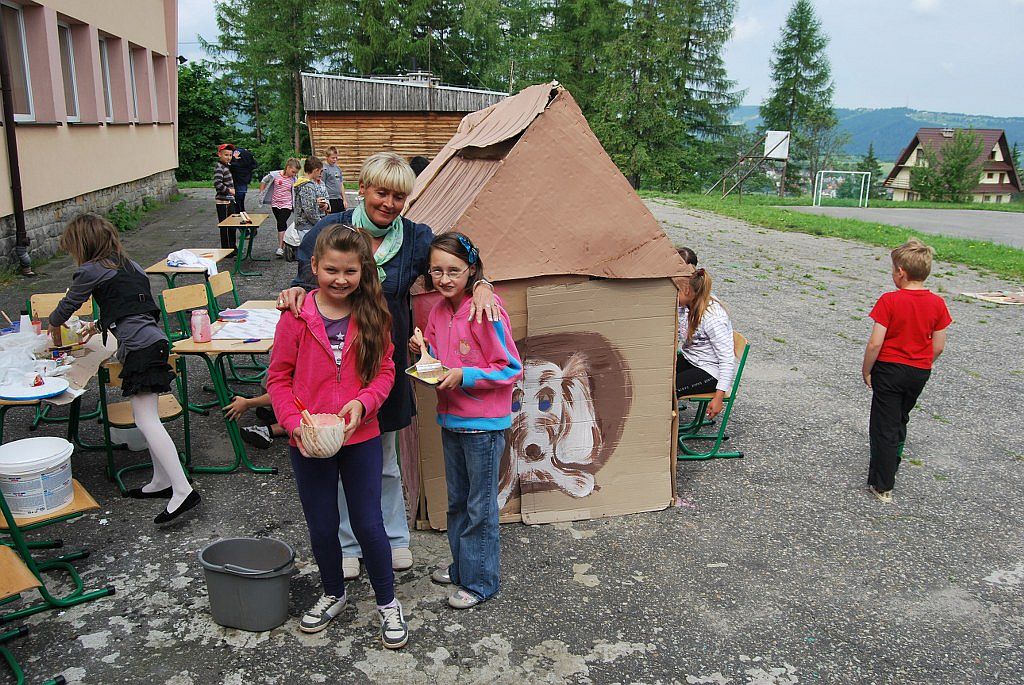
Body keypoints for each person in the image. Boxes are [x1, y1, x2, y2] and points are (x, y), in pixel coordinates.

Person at [277, 152, 499, 581]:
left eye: (399, 196)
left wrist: (483, 284)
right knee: (334, 454)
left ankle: (394, 538)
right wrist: (293, 291)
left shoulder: (415, 238)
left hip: (383, 360)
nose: (390, 203)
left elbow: (455, 262)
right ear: (363, 189)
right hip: (332, 363)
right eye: (382, 193)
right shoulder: (331, 229)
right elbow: (306, 278)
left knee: (383, 458)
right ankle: (347, 545)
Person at [266, 223, 408, 648]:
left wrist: (364, 403)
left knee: (368, 523)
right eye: (331, 270)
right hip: (309, 440)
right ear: (314, 266)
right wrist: (295, 423)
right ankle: (333, 593)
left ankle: (387, 602)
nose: (341, 280)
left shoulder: (374, 314)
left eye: (350, 271)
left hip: (360, 437)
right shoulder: (295, 316)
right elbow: (278, 378)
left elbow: (385, 371)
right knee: (323, 523)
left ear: (363, 271)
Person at [48, 214, 200, 524]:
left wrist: (52, 324)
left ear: (83, 244)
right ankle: (161, 481)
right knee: (149, 418)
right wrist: (97, 325)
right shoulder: (130, 266)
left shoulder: (91, 270)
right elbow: (131, 308)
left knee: (146, 421)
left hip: (141, 349)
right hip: (155, 342)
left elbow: (69, 304)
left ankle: (183, 490)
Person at [417, 232, 521, 609]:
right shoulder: (438, 310)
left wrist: (465, 376)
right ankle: (463, 567)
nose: (444, 279)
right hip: (451, 421)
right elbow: (437, 356)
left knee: (480, 508)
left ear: (471, 270)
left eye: (454, 271)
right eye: (437, 271)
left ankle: (481, 582)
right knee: (458, 502)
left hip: (483, 428)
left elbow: (510, 367)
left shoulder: (486, 311)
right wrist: (423, 353)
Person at [861, 238, 951, 503]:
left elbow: (875, 342)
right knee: (900, 417)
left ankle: (882, 484)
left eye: (893, 269)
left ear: (901, 272)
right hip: (919, 371)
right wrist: (923, 362)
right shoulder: (937, 303)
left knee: (883, 425)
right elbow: (939, 345)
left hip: (889, 370)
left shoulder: (890, 301)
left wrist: (867, 369)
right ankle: (894, 461)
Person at [675, 268, 735, 421]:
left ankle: (662, 429)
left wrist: (718, 397)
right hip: (692, 359)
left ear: (687, 290)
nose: (672, 295)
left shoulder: (713, 318)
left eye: (676, 291)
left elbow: (727, 359)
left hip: (710, 370)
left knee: (668, 390)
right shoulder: (686, 305)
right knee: (658, 376)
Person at [287, 156, 330, 261]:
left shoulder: (305, 183)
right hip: (307, 226)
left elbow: (308, 204)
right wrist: (320, 224)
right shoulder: (307, 185)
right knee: (310, 256)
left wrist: (320, 204)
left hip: (306, 225)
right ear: (315, 170)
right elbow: (309, 210)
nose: (321, 174)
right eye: (320, 171)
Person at [259, 158, 301, 258]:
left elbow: (297, 190)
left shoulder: (294, 179)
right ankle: (286, 243)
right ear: (288, 167)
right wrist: (261, 192)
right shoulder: (275, 175)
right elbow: (264, 180)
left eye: (296, 173)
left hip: (287, 204)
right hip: (275, 204)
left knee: (281, 222)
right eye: (293, 172)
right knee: (280, 224)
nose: (294, 174)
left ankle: (280, 247)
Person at [214, 143, 237, 249]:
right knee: (226, 226)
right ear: (219, 154)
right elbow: (217, 184)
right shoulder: (219, 167)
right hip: (223, 202)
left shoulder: (226, 166)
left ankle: (232, 247)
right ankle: (227, 249)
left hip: (229, 200)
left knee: (232, 225)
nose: (228, 157)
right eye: (226, 155)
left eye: (230, 155)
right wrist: (229, 191)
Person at [229, 146, 258, 212]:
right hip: (245, 177)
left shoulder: (235, 153)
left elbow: (230, 164)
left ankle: (238, 210)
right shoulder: (247, 153)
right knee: (242, 194)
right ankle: (241, 209)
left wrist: (234, 159)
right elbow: (254, 164)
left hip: (236, 177)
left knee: (237, 196)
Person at [322, 147, 346, 214]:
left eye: (336, 158)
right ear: (327, 157)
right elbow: (322, 185)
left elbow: (341, 184)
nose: (335, 160)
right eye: (333, 158)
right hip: (330, 199)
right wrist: (325, 202)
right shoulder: (324, 169)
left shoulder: (338, 168)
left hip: (339, 198)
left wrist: (344, 199)